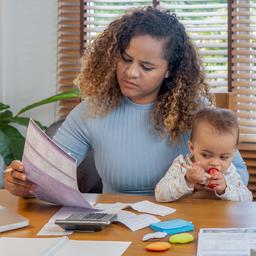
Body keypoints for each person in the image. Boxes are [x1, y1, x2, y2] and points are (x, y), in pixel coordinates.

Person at [3, 7, 248, 198]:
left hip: (185, 222)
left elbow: (240, 176)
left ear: (169, 70)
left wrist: (214, 184)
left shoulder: (197, 111)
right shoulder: (91, 110)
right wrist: (24, 182)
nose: (131, 73)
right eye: (125, 59)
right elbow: (45, 176)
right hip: (116, 227)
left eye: (147, 66)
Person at [155, 107, 253, 202]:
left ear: (234, 153)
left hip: (218, 217)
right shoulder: (182, 165)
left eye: (223, 157)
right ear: (192, 148)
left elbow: (247, 198)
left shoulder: (229, 171)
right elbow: (159, 194)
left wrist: (225, 189)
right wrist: (187, 180)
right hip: (187, 216)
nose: (215, 163)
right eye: (206, 155)